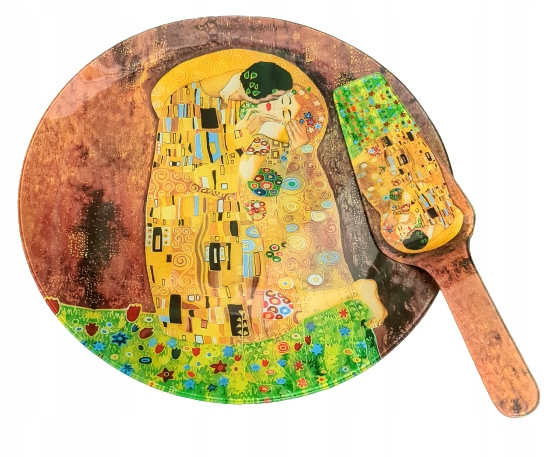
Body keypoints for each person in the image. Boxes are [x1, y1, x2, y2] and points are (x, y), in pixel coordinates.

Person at [145, 55, 387, 345]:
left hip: (223, 217)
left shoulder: (259, 123)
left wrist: (289, 148)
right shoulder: (193, 105)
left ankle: (353, 292)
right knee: (191, 292)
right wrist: (242, 136)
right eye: (275, 101)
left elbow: (253, 177)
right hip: (182, 208)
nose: (275, 109)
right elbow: (194, 161)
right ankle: (352, 292)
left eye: (284, 107)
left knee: (241, 299)